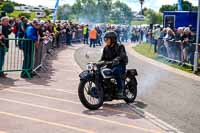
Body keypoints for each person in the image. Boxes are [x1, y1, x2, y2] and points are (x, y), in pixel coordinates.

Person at [100, 31, 128, 97]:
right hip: (110, 65)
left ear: (113, 39)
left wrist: (117, 59)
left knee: (116, 70)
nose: (106, 41)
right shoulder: (106, 48)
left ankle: (120, 90)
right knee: (99, 72)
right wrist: (97, 63)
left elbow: (122, 55)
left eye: (107, 39)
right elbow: (103, 59)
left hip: (120, 65)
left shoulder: (120, 46)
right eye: (105, 39)